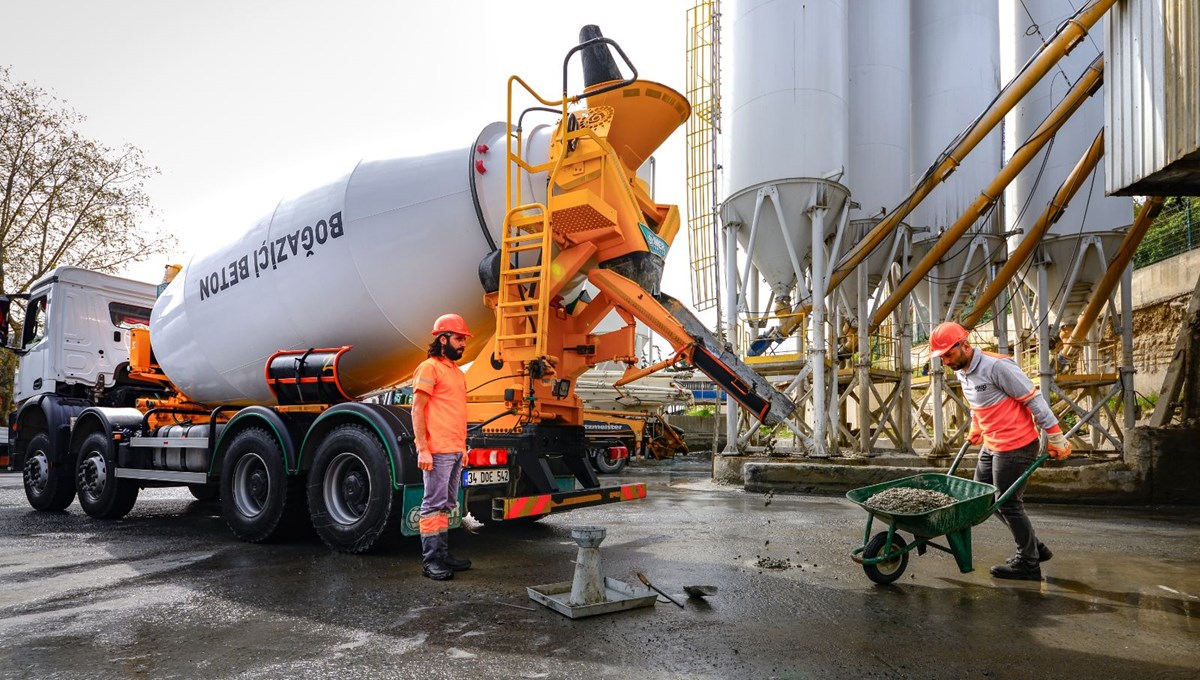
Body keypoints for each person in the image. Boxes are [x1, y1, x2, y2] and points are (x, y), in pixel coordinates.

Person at [929, 321, 1072, 581]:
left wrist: (1055, 436)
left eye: (948, 354)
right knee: (983, 500)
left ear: (965, 345)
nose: (945, 362)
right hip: (992, 443)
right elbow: (976, 405)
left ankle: (1028, 562)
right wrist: (976, 426)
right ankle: (1035, 547)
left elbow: (1032, 398)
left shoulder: (997, 366)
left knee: (1008, 504)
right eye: (941, 357)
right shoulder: (962, 370)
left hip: (1015, 445)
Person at [411, 313, 473, 581]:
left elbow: (456, 413)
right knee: (433, 505)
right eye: (459, 339)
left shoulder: (457, 372)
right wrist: (422, 448)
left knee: (446, 505)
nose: (463, 344)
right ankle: (432, 561)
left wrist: (464, 448)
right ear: (443, 338)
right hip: (436, 450)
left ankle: (443, 555)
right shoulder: (429, 368)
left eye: (463, 340)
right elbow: (417, 409)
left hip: (455, 449)